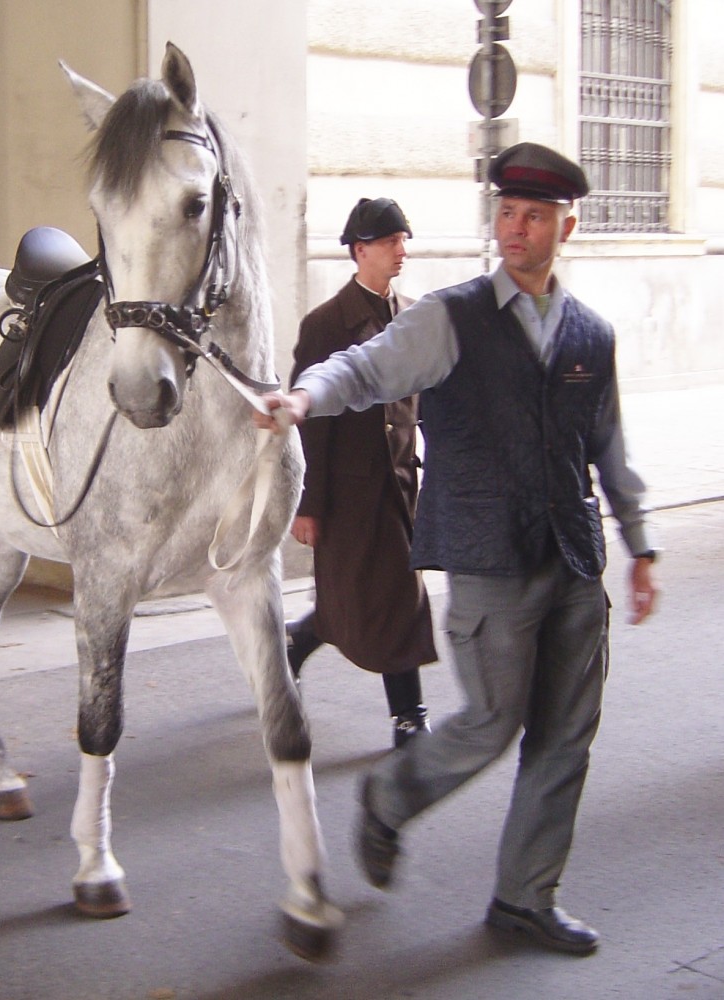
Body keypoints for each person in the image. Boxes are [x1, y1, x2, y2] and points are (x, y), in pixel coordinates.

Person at [255, 143, 660, 955]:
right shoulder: (451, 316)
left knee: (565, 736)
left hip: (574, 557)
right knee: (490, 722)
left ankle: (524, 896)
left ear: (565, 226)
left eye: (534, 215)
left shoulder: (590, 333)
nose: (514, 227)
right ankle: (389, 797)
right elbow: (366, 368)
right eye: (506, 211)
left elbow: (607, 445)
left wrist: (639, 543)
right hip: (487, 556)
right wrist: (302, 398)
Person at [286, 197, 437, 749]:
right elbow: (312, 427)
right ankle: (408, 713)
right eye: (391, 241)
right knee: (368, 595)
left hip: (399, 485)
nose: (402, 251)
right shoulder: (326, 324)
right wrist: (308, 504)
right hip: (349, 493)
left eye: (404, 240)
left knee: (389, 594)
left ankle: (300, 645)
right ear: (360, 251)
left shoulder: (415, 316)